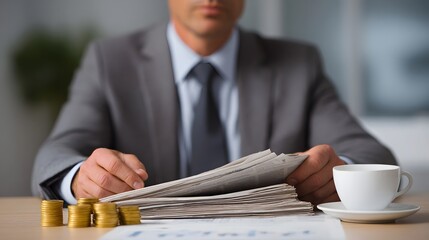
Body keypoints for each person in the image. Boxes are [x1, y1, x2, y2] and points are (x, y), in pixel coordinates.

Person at [32, 0, 396, 206]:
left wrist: (339, 173)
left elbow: (370, 152)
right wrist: (82, 178)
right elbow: (55, 154)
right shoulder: (110, 61)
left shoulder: (297, 64)